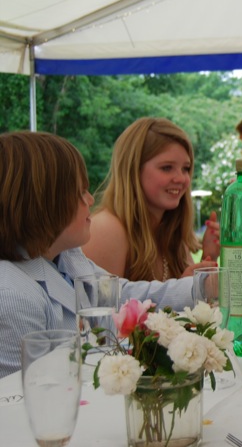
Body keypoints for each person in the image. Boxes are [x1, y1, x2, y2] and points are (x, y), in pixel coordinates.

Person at [0, 131, 198, 379]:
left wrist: (199, 287)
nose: (91, 199)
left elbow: (124, 296)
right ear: (43, 203)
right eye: (80, 192)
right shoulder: (13, 296)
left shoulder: (67, 258)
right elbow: (20, 400)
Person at [84, 118, 219, 281]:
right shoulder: (106, 229)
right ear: (133, 170)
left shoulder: (171, 233)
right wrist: (181, 290)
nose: (181, 178)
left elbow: (197, 303)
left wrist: (208, 257)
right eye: (167, 168)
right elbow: (100, 305)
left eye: (186, 168)